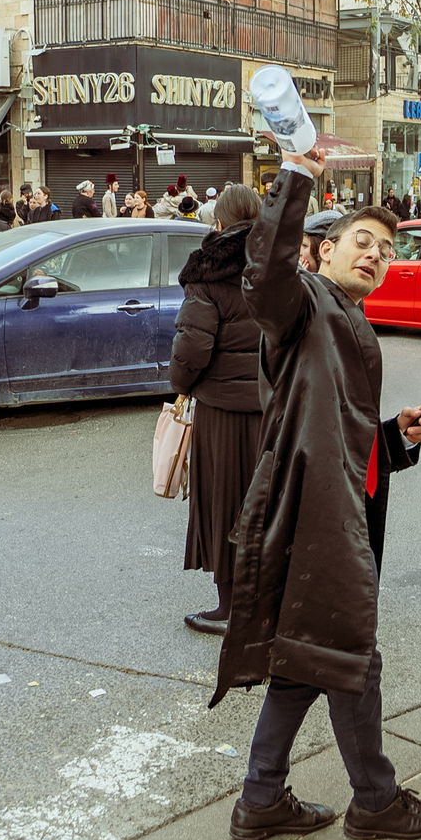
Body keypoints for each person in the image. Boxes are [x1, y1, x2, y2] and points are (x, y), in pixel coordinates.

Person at [212, 146, 421, 840]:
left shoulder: (345, 319)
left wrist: (397, 436)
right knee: (352, 653)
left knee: (306, 659)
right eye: (362, 241)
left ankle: (260, 798)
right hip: (311, 521)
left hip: (327, 514)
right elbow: (261, 274)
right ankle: (375, 800)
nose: (377, 254)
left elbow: (336, 430)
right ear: (321, 253)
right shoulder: (302, 306)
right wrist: (295, 176)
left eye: (386, 248)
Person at [169, 185, 265, 636]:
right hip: (273, 407)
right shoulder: (277, 267)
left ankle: (230, 610)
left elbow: (192, 346)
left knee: (225, 502)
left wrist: (182, 386)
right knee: (266, 502)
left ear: (219, 223)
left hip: (223, 410)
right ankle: (269, 603)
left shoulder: (208, 273)